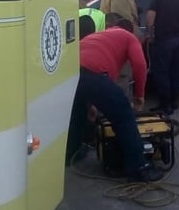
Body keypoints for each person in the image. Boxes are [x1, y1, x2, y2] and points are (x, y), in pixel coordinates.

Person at [67, 18, 164, 181]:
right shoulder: (128, 37)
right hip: (93, 74)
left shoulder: (100, 36)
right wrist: (139, 96)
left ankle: (71, 153)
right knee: (124, 114)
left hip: (69, 74)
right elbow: (140, 65)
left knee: (77, 114)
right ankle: (139, 167)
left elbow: (89, 70)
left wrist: (90, 104)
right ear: (129, 30)